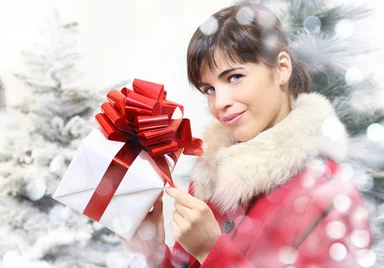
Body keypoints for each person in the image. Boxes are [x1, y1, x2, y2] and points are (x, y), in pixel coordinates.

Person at [121, 3, 375, 268]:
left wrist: (212, 250)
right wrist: (153, 255)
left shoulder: (328, 191)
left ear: (282, 68)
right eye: (209, 89)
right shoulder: (209, 178)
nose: (220, 102)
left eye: (234, 78)